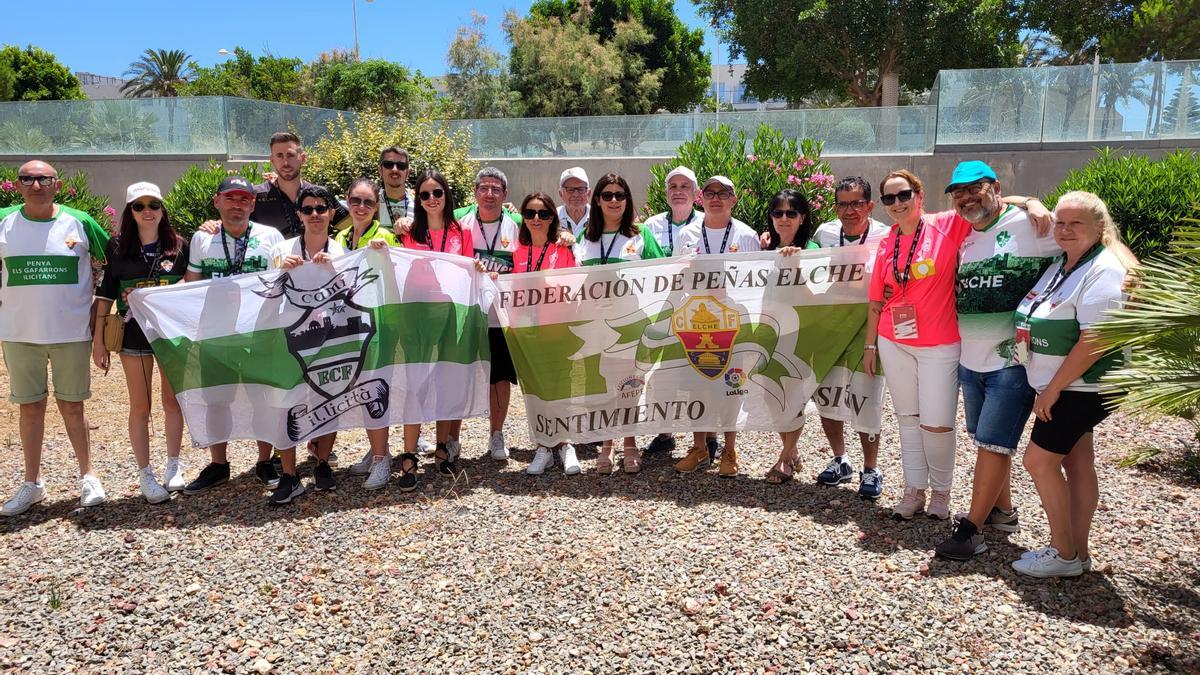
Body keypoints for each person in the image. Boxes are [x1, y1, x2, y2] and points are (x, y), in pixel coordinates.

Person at [933, 161, 1061, 560]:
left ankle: (970, 529)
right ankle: (1002, 513)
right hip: (971, 361)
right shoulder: (966, 236)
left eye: (976, 188)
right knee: (990, 444)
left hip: (1013, 362)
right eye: (959, 192)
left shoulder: (1033, 225)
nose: (967, 197)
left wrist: (1128, 270)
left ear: (996, 188)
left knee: (992, 444)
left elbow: (1094, 239)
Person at [1010, 191, 1135, 578]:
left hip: (1081, 387)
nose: (1063, 230)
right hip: (1065, 384)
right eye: (1060, 222)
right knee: (1078, 461)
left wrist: (1052, 390)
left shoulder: (1105, 269)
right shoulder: (1066, 263)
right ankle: (1078, 552)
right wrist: (1030, 201)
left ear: (1099, 227)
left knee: (1038, 461)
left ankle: (1061, 553)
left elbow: (1096, 339)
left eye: (1074, 223)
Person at [0, 161, 110, 515]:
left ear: (57, 185)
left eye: (43, 178)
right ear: (17, 186)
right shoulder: (3, 220)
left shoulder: (80, 221)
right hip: (19, 334)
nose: (36, 185)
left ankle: (88, 476)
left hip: (72, 333)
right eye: (27, 179)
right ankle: (32, 484)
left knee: (72, 407)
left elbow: (119, 260)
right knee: (30, 407)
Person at [864, 170, 967, 521]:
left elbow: (993, 208)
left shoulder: (948, 224)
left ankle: (941, 493)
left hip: (940, 342)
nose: (897, 204)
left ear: (920, 195)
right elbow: (876, 301)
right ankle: (913, 490)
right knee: (908, 419)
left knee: (937, 423)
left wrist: (1031, 204)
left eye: (903, 195)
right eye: (889, 198)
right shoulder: (885, 242)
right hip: (894, 340)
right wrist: (869, 347)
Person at [181, 176, 286, 495]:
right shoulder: (202, 239)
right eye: (230, 198)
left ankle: (265, 460)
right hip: (216, 335)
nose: (237, 204)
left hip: (259, 332)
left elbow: (281, 283)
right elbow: (191, 283)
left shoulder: (271, 237)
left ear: (253, 204)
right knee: (216, 401)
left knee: (263, 399)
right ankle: (218, 464)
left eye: (244, 199)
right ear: (217, 202)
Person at [91, 182, 189, 504]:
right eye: (139, 206)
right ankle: (145, 472)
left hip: (170, 335)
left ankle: (173, 465)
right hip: (133, 336)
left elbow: (192, 289)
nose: (147, 211)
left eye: (153, 205)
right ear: (130, 211)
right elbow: (105, 294)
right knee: (140, 406)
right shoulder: (117, 247)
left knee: (173, 401)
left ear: (163, 209)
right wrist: (98, 341)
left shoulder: (179, 245)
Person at [573, 173, 665, 473]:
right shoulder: (583, 239)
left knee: (628, 387)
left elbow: (661, 275)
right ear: (596, 200)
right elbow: (570, 282)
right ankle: (606, 444)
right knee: (600, 386)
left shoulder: (640, 235)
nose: (614, 201)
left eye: (620, 195)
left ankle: (629, 443)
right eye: (607, 195)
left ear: (628, 200)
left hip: (629, 326)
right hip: (593, 326)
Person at [672, 176, 761, 479]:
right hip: (695, 323)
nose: (716, 198)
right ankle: (699, 448)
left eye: (723, 193)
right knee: (697, 386)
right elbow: (674, 276)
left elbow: (754, 282)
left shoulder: (746, 235)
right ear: (701, 198)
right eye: (709, 193)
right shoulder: (687, 234)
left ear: (734, 200)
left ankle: (729, 449)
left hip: (731, 324)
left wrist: (730, 290)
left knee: (732, 387)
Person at [266, 185, 348, 504]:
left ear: (330, 213)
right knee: (284, 403)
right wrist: (279, 273)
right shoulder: (282, 249)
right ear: (299, 214)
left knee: (329, 398)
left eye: (321, 208)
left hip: (328, 336)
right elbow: (264, 297)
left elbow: (350, 297)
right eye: (308, 209)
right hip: (287, 337)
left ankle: (323, 462)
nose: (315, 214)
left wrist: (334, 271)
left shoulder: (341, 251)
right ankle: (289, 474)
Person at [396, 170, 475, 481]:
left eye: (437, 193)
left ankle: (443, 448)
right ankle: (409, 452)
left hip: (449, 314)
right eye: (425, 194)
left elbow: (468, 271)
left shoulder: (462, 231)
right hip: (415, 313)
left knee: (446, 380)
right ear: (418, 199)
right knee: (416, 382)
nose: (432, 199)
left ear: (447, 196)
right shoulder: (407, 231)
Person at [330, 178, 400, 491]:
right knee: (361, 386)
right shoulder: (340, 236)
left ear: (376, 207)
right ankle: (375, 450)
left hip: (378, 323)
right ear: (347, 202)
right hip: (347, 323)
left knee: (375, 386)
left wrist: (385, 254)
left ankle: (383, 459)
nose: (361, 207)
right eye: (355, 201)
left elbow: (398, 273)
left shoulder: (384, 234)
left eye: (368, 203)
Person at [456, 167, 523, 463]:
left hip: (500, 316)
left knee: (499, 379)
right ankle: (451, 438)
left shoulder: (517, 223)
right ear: (475, 191)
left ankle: (496, 434)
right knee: (458, 374)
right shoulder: (459, 220)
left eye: (496, 189)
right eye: (484, 188)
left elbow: (542, 236)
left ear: (505, 195)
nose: (490, 194)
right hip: (466, 314)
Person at [512, 192, 581, 475]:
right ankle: (543, 445)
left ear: (553, 217)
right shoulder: (517, 252)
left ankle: (565, 444)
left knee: (561, 388)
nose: (536, 219)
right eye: (530, 213)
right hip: (527, 334)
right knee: (536, 391)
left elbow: (576, 288)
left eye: (543, 214)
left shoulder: (563, 249)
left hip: (558, 331)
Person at [637, 166, 703, 456]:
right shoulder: (650, 226)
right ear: (666, 193)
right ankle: (665, 433)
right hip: (659, 312)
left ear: (695, 193)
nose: (678, 191)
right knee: (661, 375)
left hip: (696, 311)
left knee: (700, 371)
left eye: (685, 186)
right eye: (673, 186)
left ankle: (707, 437)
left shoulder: (706, 222)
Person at [760, 189, 819, 485]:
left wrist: (797, 269)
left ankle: (784, 459)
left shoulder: (812, 250)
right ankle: (792, 450)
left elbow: (818, 299)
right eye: (778, 212)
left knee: (792, 397)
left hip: (800, 336)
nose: (783, 218)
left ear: (802, 218)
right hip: (769, 335)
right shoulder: (764, 251)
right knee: (772, 397)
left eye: (791, 213)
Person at [251, 132, 350, 238]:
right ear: (272, 160)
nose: (285, 163)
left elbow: (354, 227)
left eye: (290, 155)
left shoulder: (321, 194)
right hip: (273, 255)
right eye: (279, 156)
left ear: (303, 158)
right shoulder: (257, 196)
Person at [379, 145, 416, 233]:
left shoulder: (420, 201)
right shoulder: (370, 201)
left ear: (408, 172)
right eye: (388, 164)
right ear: (380, 170)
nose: (395, 169)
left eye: (401, 166)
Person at [557, 167, 590, 236]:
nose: (576, 194)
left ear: (588, 193)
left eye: (581, 189)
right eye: (570, 189)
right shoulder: (553, 218)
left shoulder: (599, 216)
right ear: (561, 193)